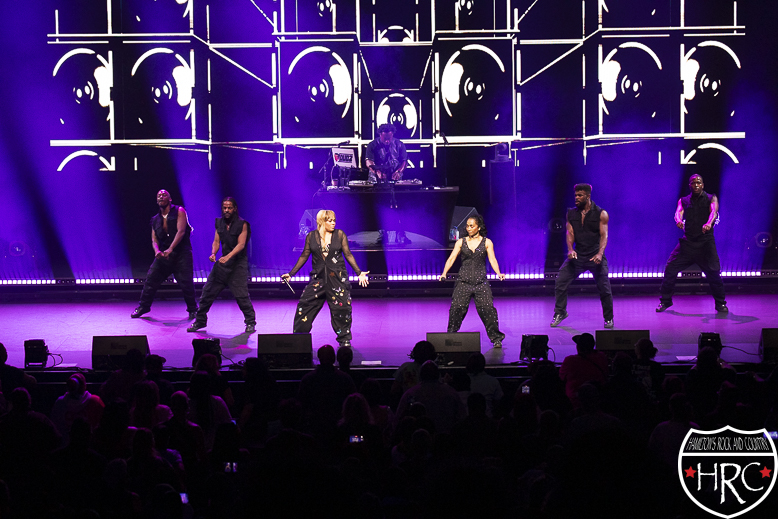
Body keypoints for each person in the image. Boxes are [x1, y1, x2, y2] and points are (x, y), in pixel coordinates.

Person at [282, 210, 369, 348]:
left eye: (334, 220)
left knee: (342, 309)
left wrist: (359, 273)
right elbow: (304, 255)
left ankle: (344, 340)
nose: (333, 223)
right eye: (330, 220)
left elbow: (348, 254)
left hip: (337, 279)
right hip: (318, 279)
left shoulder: (339, 235)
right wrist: (291, 274)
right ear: (322, 221)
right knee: (305, 306)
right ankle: (299, 338)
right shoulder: (311, 236)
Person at [657, 174, 728, 313]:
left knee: (714, 273)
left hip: (705, 244)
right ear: (690, 185)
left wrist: (709, 223)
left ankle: (720, 303)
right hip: (688, 244)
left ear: (703, 185)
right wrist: (678, 220)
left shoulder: (711, 198)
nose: (696, 185)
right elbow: (678, 212)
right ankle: (665, 301)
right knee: (670, 269)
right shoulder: (684, 200)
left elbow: (713, 212)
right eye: (693, 183)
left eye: (699, 182)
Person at [188, 197, 256, 333]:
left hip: (238, 264)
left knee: (241, 295)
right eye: (224, 208)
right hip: (223, 264)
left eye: (229, 208)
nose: (227, 210)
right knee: (207, 292)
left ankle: (250, 322)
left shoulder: (242, 224)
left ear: (235, 209)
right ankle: (200, 321)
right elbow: (216, 241)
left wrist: (228, 256)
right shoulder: (219, 222)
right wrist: (213, 253)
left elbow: (241, 244)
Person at [550, 183, 614, 329]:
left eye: (580, 195)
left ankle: (608, 318)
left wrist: (600, 254)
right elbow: (570, 233)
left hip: (595, 256)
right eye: (575, 195)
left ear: (588, 196)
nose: (576, 198)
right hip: (578, 256)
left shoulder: (601, 213)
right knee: (560, 281)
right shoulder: (571, 213)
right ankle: (560, 312)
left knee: (604, 289)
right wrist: (570, 249)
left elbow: (604, 235)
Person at [439, 215, 506, 348]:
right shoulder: (461, 242)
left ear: (478, 227)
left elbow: (492, 259)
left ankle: (496, 338)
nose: (468, 228)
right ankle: (451, 334)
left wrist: (498, 273)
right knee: (456, 309)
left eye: (472, 226)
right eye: (467, 226)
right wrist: (444, 273)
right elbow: (452, 258)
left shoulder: (487, 242)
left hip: (481, 282)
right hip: (463, 281)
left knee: (488, 309)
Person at [132, 190, 198, 320]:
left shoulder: (179, 211)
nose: (161, 197)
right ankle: (143, 307)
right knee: (151, 280)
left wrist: (171, 248)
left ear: (170, 199)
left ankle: (193, 309)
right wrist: (157, 251)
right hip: (165, 255)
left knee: (186, 283)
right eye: (159, 196)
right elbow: (154, 239)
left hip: (181, 253)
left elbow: (181, 231)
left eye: (164, 195)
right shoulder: (155, 219)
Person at [365, 123, 411, 245]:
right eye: (384, 138)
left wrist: (399, 171)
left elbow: (404, 161)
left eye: (389, 138)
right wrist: (377, 172)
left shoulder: (399, 144)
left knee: (399, 205)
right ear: (380, 135)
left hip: (395, 179)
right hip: (377, 180)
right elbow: (368, 162)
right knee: (381, 205)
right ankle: (382, 233)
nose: (387, 141)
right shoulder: (372, 145)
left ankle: (401, 233)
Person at [559, 333, 609, 408]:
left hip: (573, 403)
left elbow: (561, 377)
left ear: (578, 347)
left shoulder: (570, 360)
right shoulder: (601, 357)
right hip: (599, 402)